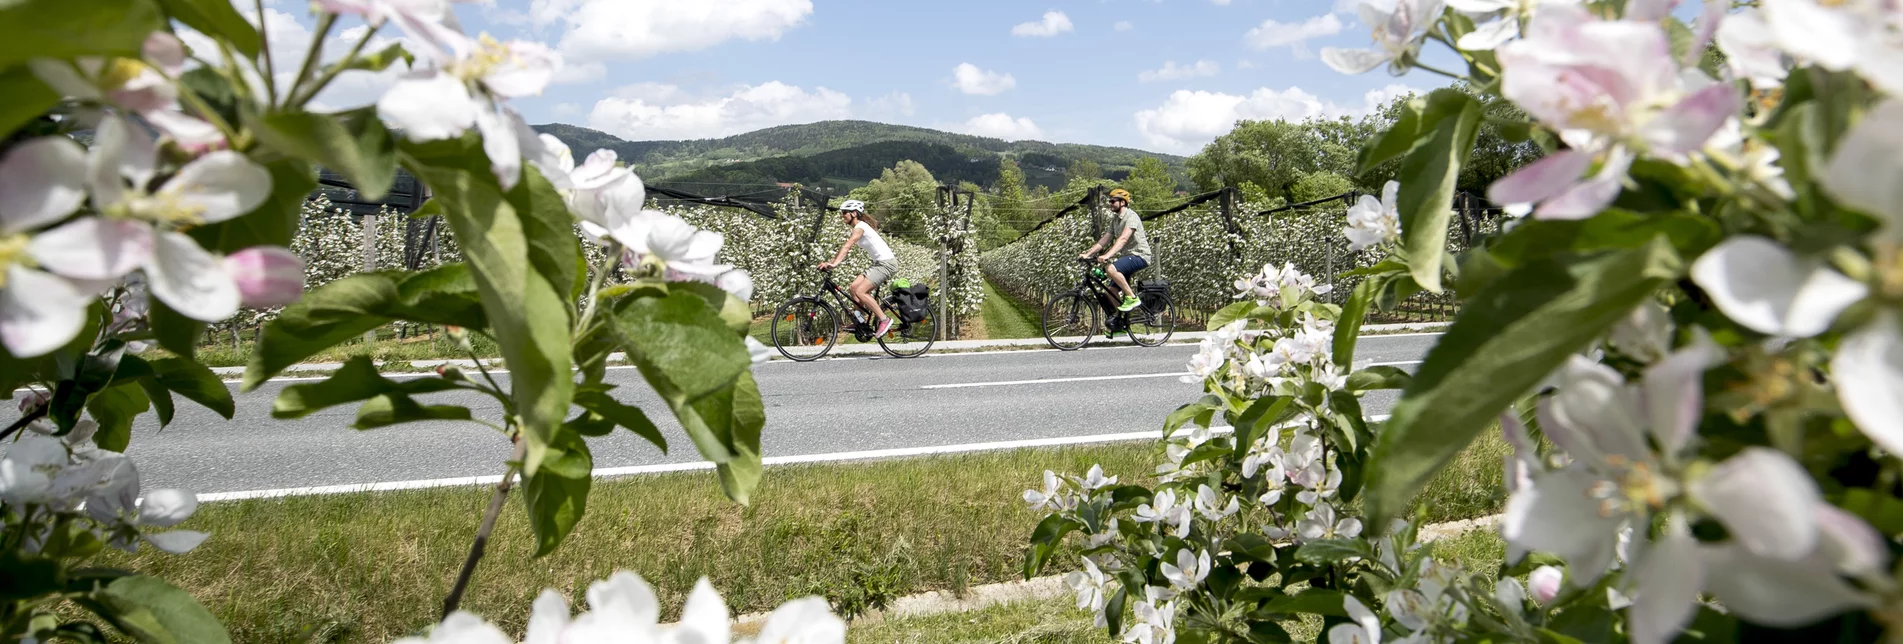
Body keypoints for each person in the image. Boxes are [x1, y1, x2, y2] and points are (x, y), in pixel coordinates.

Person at [817, 199, 899, 337]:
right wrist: (830, 262)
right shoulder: (859, 227)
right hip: (879, 263)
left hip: (886, 264)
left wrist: (835, 264)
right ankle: (860, 322)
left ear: (854, 213)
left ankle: (884, 319)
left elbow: (848, 245)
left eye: (845, 213)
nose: (842, 215)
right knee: (853, 288)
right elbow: (845, 248)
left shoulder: (860, 227)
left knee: (861, 292)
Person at [1078, 188, 1152, 314]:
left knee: (1111, 269)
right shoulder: (1116, 220)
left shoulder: (1131, 217)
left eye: (1113, 201)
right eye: (1109, 201)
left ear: (1122, 202)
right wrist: (1087, 254)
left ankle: (1132, 298)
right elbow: (1104, 240)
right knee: (1112, 290)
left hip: (1140, 256)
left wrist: (1107, 255)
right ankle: (1120, 323)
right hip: (1127, 257)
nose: (1110, 204)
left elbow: (1123, 239)